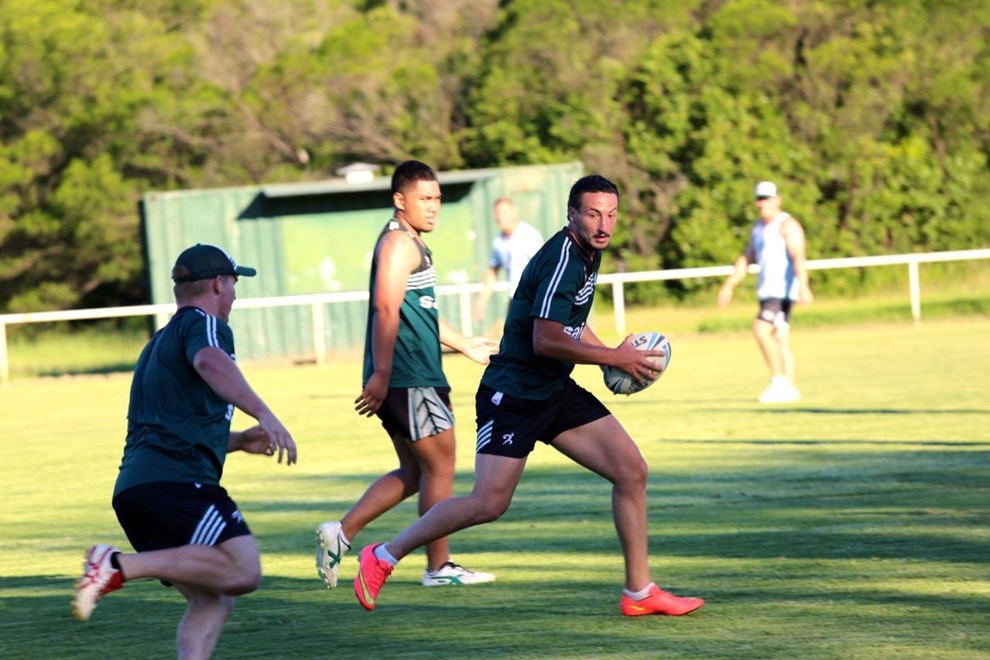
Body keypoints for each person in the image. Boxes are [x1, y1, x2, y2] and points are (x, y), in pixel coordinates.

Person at [351, 174, 705, 618]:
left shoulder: (587, 252)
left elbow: (571, 321)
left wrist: (608, 359)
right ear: (572, 215)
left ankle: (639, 592)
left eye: (611, 215)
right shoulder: (563, 257)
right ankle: (383, 555)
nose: (603, 225)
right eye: (593, 214)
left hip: (552, 389)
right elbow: (546, 339)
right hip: (513, 395)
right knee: (487, 504)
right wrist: (612, 356)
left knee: (631, 470)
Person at [72, 244, 298, 659]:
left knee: (214, 598)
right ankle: (117, 565)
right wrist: (265, 414)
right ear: (218, 284)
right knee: (243, 570)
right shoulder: (204, 324)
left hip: (136, 490)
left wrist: (239, 441)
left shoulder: (157, 344)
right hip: (176, 483)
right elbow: (210, 362)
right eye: (234, 284)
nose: (234, 295)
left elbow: (170, 428)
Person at [316, 160, 496, 591]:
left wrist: (465, 344)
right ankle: (439, 567)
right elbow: (385, 308)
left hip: (410, 375)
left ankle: (341, 533)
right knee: (441, 465)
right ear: (400, 200)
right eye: (424, 198)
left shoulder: (412, 241)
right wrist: (381, 374)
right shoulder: (399, 244)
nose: (433, 207)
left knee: (415, 471)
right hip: (409, 376)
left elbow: (421, 313)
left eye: (437, 199)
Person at [717, 180, 814, 404]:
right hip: (766, 293)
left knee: (760, 329)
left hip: (782, 294)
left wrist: (804, 286)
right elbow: (746, 258)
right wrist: (729, 285)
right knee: (779, 339)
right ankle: (789, 388)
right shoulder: (758, 229)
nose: (762, 203)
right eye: (759, 199)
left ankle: (778, 382)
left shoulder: (787, 225)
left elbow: (799, 257)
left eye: (766, 198)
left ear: (777, 200)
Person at [471, 196, 544, 323]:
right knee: (511, 333)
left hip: (534, 299)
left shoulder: (529, 236)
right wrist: (481, 301)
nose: (500, 217)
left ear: (514, 212)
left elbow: (543, 267)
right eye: (497, 213)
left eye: (504, 213)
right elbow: (492, 271)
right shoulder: (499, 242)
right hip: (515, 300)